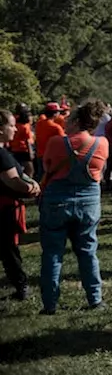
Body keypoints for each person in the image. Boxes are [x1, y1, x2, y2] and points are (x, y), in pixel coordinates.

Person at [38, 99, 110, 314]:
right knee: (88, 251)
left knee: (52, 253)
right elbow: (101, 172)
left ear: (77, 121)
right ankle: (95, 299)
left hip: (56, 201)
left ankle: (49, 304)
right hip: (88, 203)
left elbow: (47, 166)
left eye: (69, 120)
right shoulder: (102, 143)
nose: (65, 123)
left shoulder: (56, 143)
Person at [1, 108, 41, 301]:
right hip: (4, 209)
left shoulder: (4, 152)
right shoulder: (1, 155)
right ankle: (21, 286)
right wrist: (32, 188)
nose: (15, 129)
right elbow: (13, 182)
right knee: (9, 250)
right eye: (10, 125)